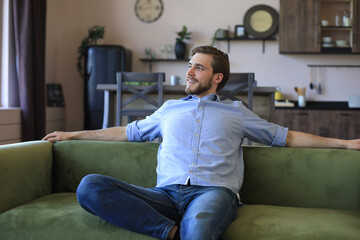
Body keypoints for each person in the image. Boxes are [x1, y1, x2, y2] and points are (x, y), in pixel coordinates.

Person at [43, 46, 360, 240]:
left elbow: (285, 136)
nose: (189, 71)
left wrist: (345, 144)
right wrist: (73, 134)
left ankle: (178, 233)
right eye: (189, 65)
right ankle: (169, 232)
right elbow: (125, 132)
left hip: (213, 193)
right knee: (90, 187)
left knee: (199, 232)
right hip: (164, 196)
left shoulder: (236, 112)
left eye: (198, 67)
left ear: (217, 77)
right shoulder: (168, 109)